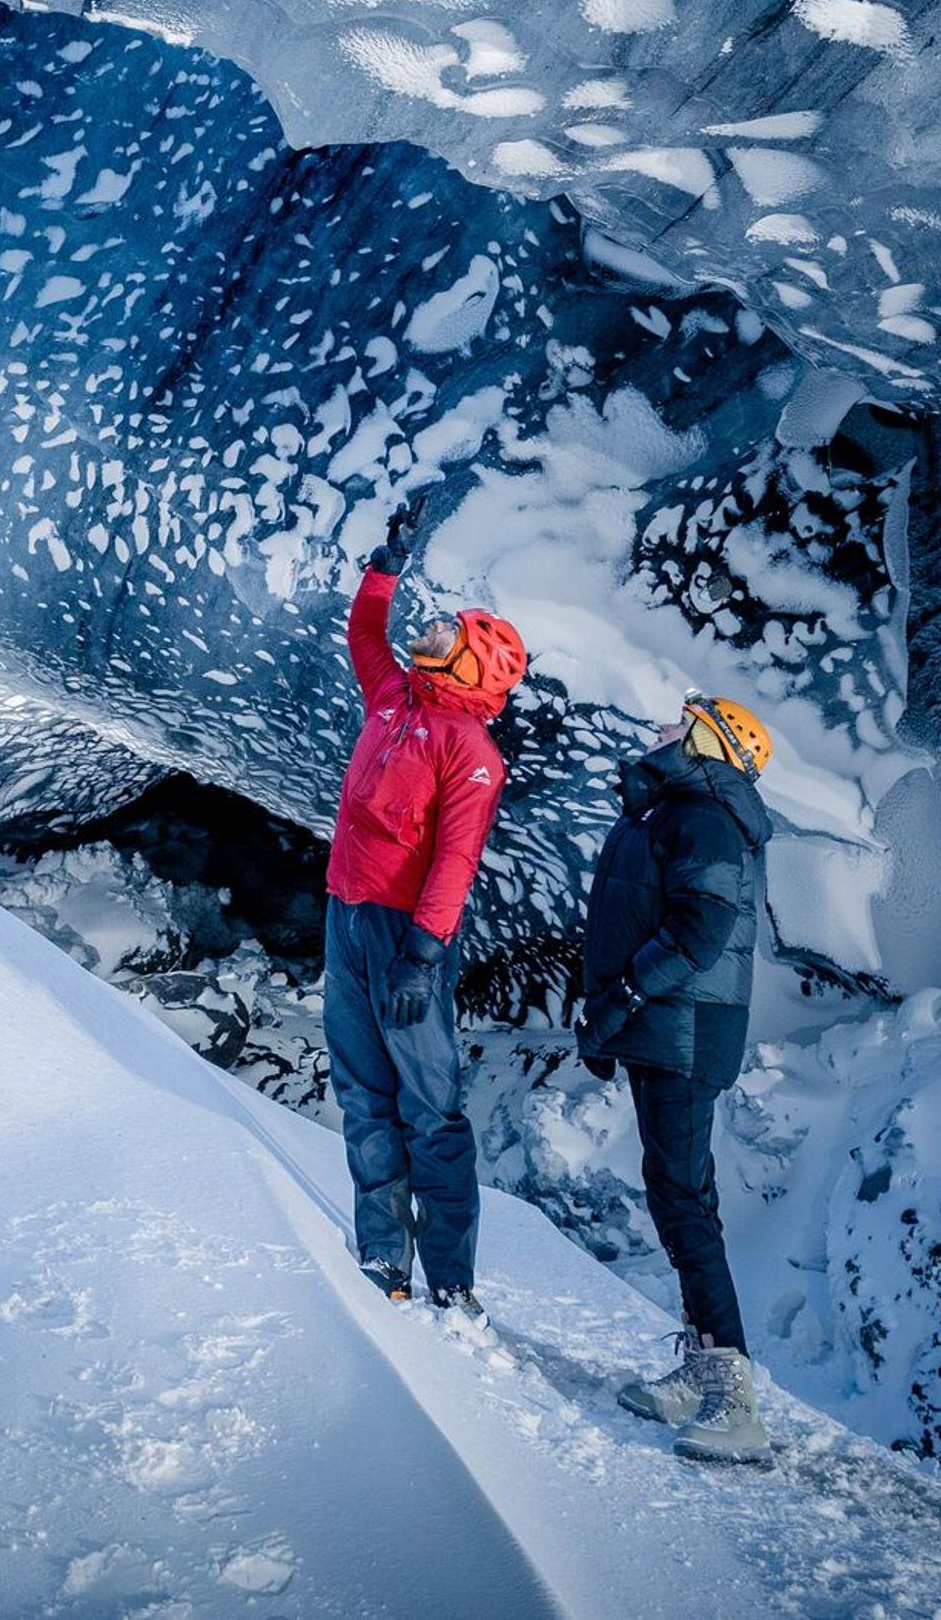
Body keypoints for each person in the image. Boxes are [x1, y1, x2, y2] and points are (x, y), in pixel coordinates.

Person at [323, 523, 525, 1314]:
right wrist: (384, 568)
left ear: (472, 664)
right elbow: (364, 632)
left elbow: (456, 856)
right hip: (348, 917)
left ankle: (451, 1277)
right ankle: (383, 1256)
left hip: (410, 940)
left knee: (430, 1110)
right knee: (362, 1090)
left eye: (455, 631)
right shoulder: (394, 695)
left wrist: (424, 951)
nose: (437, 628)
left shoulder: (471, 750)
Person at [576, 694, 779, 1464]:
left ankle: (734, 1397)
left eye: (682, 719)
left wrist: (628, 993)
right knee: (675, 1191)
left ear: (710, 742)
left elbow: (702, 927)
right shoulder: (677, 810)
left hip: (682, 1033)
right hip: (668, 1030)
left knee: (686, 1201)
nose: (664, 725)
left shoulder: (704, 816)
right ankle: (702, 1370)